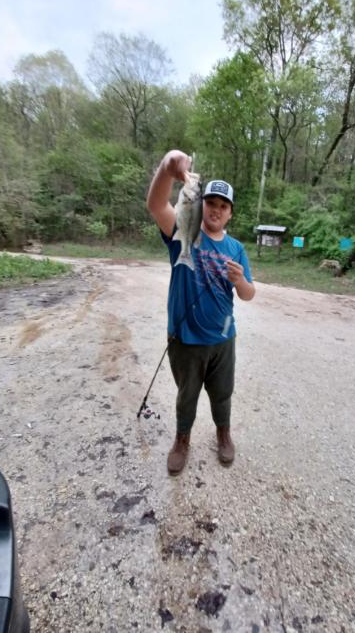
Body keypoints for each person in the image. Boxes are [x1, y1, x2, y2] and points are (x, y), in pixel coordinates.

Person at [146, 150, 256, 476]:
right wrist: (168, 166)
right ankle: (182, 440)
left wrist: (240, 281)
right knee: (187, 396)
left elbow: (249, 294)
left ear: (230, 213)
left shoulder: (236, 248)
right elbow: (156, 205)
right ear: (199, 204)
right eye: (210, 203)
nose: (216, 210)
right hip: (185, 338)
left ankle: (223, 434)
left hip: (223, 339)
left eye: (223, 206)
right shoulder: (183, 231)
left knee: (222, 394)